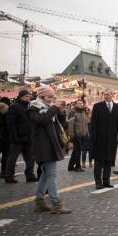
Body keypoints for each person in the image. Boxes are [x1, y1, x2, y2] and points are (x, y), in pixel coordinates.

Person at [29, 86, 71, 214]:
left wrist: (61, 111)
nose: (51, 99)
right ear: (41, 97)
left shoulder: (49, 109)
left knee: (45, 175)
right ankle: (56, 203)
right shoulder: (33, 108)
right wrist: (54, 108)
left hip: (50, 145)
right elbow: (43, 120)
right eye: (49, 97)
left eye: (53, 97)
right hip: (42, 147)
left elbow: (60, 124)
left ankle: (40, 202)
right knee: (52, 175)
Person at [90, 89, 118, 189]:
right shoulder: (97, 106)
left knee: (108, 162)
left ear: (112, 95)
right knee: (99, 162)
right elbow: (93, 124)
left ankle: (106, 181)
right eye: (105, 95)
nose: (106, 96)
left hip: (112, 139)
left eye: (108, 94)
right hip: (99, 139)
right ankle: (98, 182)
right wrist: (93, 138)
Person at [4, 89, 37, 183]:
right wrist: (14, 136)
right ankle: (9, 176)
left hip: (28, 136)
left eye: (29, 96)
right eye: (26, 96)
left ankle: (30, 175)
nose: (28, 98)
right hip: (18, 137)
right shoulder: (14, 106)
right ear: (21, 96)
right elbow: (11, 123)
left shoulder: (29, 106)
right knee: (12, 158)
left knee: (30, 158)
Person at [67, 99, 89, 172]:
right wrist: (71, 137)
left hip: (82, 134)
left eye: (81, 103)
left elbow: (86, 123)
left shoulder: (83, 112)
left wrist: (86, 133)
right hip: (76, 135)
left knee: (76, 151)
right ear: (75, 104)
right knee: (78, 151)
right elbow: (70, 125)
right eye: (79, 103)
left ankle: (70, 166)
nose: (80, 104)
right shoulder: (73, 112)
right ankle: (77, 166)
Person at [0, 100, 9, 183]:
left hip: (1, 138)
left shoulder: (2, 116)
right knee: (5, 155)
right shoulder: (3, 116)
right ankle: (3, 171)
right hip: (2, 139)